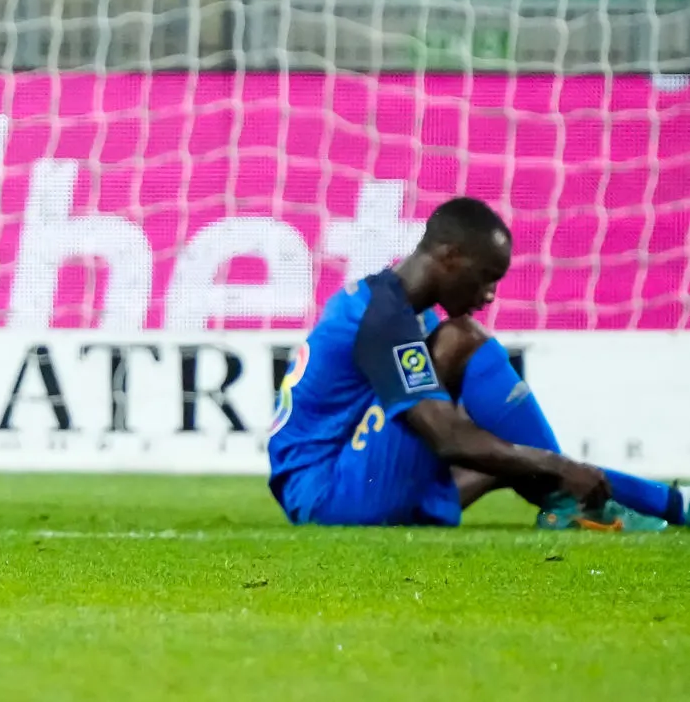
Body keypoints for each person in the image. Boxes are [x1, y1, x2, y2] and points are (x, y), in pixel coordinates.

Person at [269, 196, 686, 531]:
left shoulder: (406, 313)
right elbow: (446, 440)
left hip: (348, 478)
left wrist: (550, 465)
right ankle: (583, 503)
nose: (489, 295)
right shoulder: (381, 319)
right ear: (450, 257)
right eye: (486, 277)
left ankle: (668, 504)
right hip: (326, 493)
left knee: (507, 453)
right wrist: (558, 465)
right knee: (463, 340)